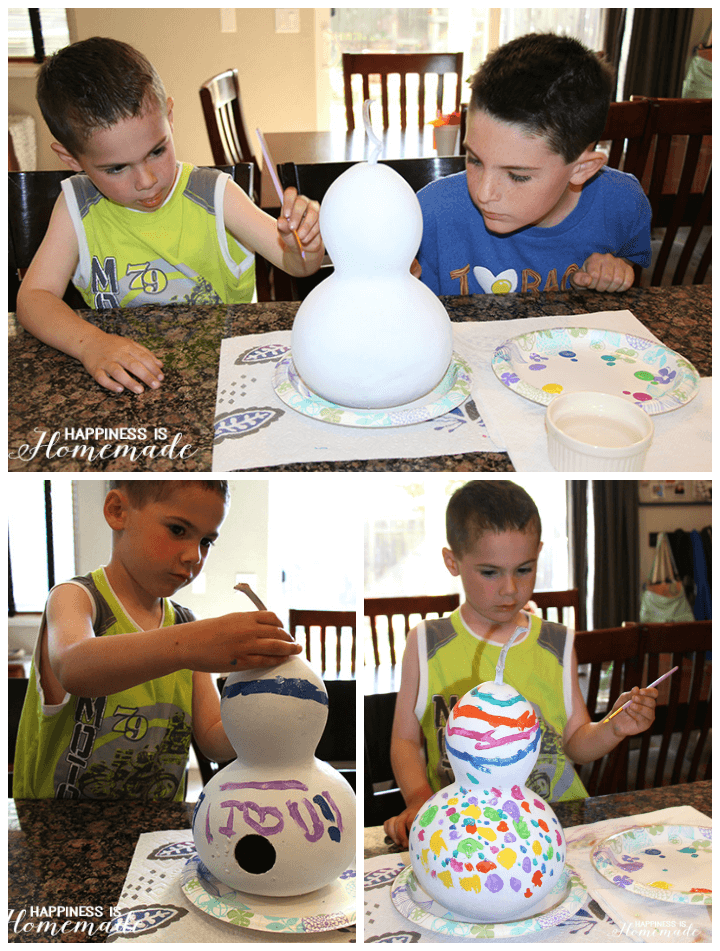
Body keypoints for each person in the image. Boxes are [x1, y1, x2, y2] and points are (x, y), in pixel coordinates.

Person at [15, 37, 325, 395]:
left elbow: (299, 265)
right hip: (123, 383)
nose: (146, 181)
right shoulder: (76, 208)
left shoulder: (215, 196)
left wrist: (305, 242)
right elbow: (33, 298)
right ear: (71, 159)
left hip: (222, 380)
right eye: (116, 168)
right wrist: (91, 345)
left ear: (170, 117)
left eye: (157, 151)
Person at [384, 480, 657, 847]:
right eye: (490, 572)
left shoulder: (558, 642)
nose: (510, 588)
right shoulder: (425, 642)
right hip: (466, 831)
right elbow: (405, 740)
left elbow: (576, 743)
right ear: (453, 562)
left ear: (539, 554)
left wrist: (614, 726)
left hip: (556, 825)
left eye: (524, 569)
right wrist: (418, 800)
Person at [13, 479, 302, 800]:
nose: (194, 555)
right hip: (59, 834)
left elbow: (213, 741)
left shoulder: (184, 623)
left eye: (206, 541)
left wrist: (265, 705)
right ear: (117, 511)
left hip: (156, 834)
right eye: (178, 530)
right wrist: (193, 644)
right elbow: (73, 667)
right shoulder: (76, 598)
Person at [414, 33, 652, 297]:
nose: (484, 193)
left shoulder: (623, 203)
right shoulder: (427, 213)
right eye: (474, 160)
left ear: (582, 169)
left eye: (517, 176)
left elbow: (631, 260)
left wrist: (616, 269)